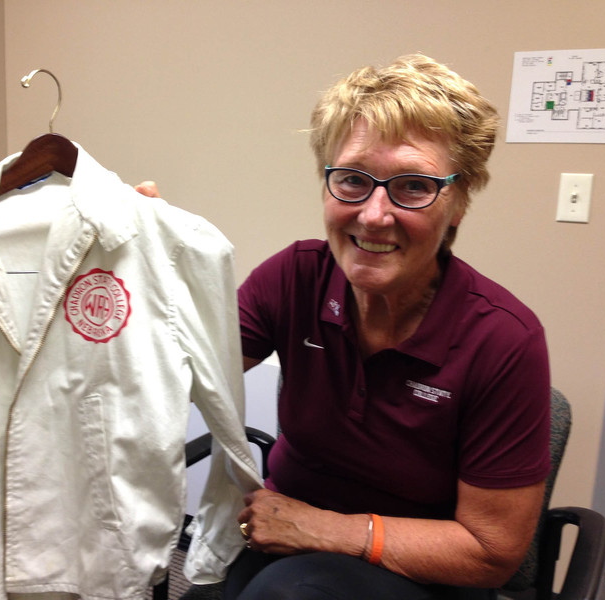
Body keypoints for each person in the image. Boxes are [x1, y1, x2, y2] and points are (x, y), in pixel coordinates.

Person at [138, 53, 550, 600]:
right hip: (283, 538)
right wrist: (146, 271)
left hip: (424, 572)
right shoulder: (294, 277)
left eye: (412, 186)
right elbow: (179, 372)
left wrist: (324, 530)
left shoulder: (503, 340)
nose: (375, 214)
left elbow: (490, 552)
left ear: (458, 203)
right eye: (353, 179)